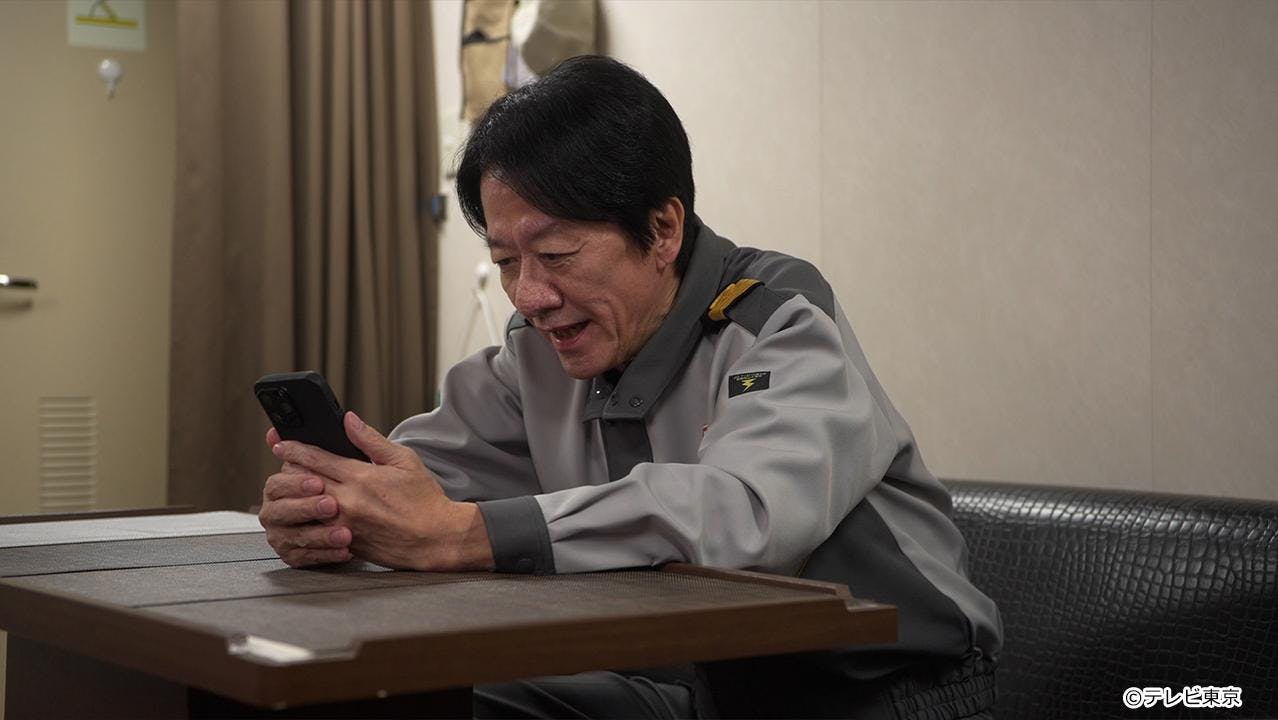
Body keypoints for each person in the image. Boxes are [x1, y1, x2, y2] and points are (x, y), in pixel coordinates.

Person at [258, 56, 1002, 719]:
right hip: (700, 686)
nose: (530, 295)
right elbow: (423, 480)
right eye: (507, 262)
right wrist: (339, 510)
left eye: (557, 254)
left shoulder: (776, 319)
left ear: (663, 229)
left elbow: (743, 516)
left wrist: (462, 534)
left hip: (886, 691)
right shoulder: (539, 350)